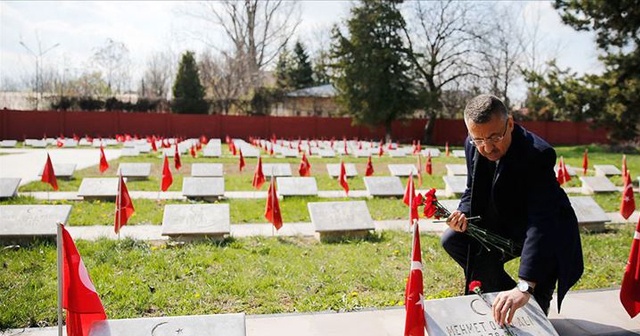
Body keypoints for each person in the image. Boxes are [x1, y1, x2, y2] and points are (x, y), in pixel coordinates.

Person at [442, 94, 583, 326]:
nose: (486, 147)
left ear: (510, 124)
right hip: (505, 222)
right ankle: (501, 299)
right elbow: (472, 189)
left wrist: (525, 286)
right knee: (453, 239)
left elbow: (541, 222)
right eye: (478, 139)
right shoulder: (473, 143)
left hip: (546, 230)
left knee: (534, 313)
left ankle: (527, 304)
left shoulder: (537, 154)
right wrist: (463, 214)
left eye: (494, 137)